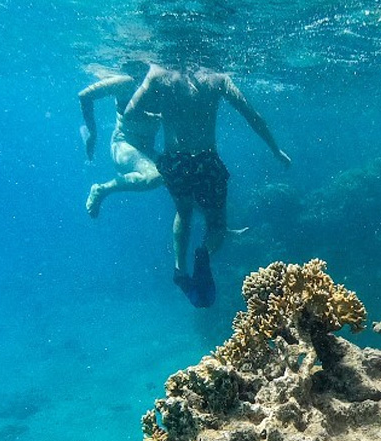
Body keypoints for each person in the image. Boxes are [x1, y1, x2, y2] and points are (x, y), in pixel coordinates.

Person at [124, 63, 291, 307]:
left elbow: (130, 113)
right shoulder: (218, 78)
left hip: (175, 160)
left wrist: (159, 115)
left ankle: (180, 270)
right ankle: (204, 252)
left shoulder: (157, 73)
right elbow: (251, 115)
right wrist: (275, 149)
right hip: (206, 160)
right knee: (216, 224)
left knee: (183, 210)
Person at [78, 60, 163, 218]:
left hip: (147, 151)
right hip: (124, 146)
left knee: (184, 175)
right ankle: (102, 189)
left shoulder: (164, 83)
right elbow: (85, 95)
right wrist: (92, 133)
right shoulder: (126, 83)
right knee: (154, 176)